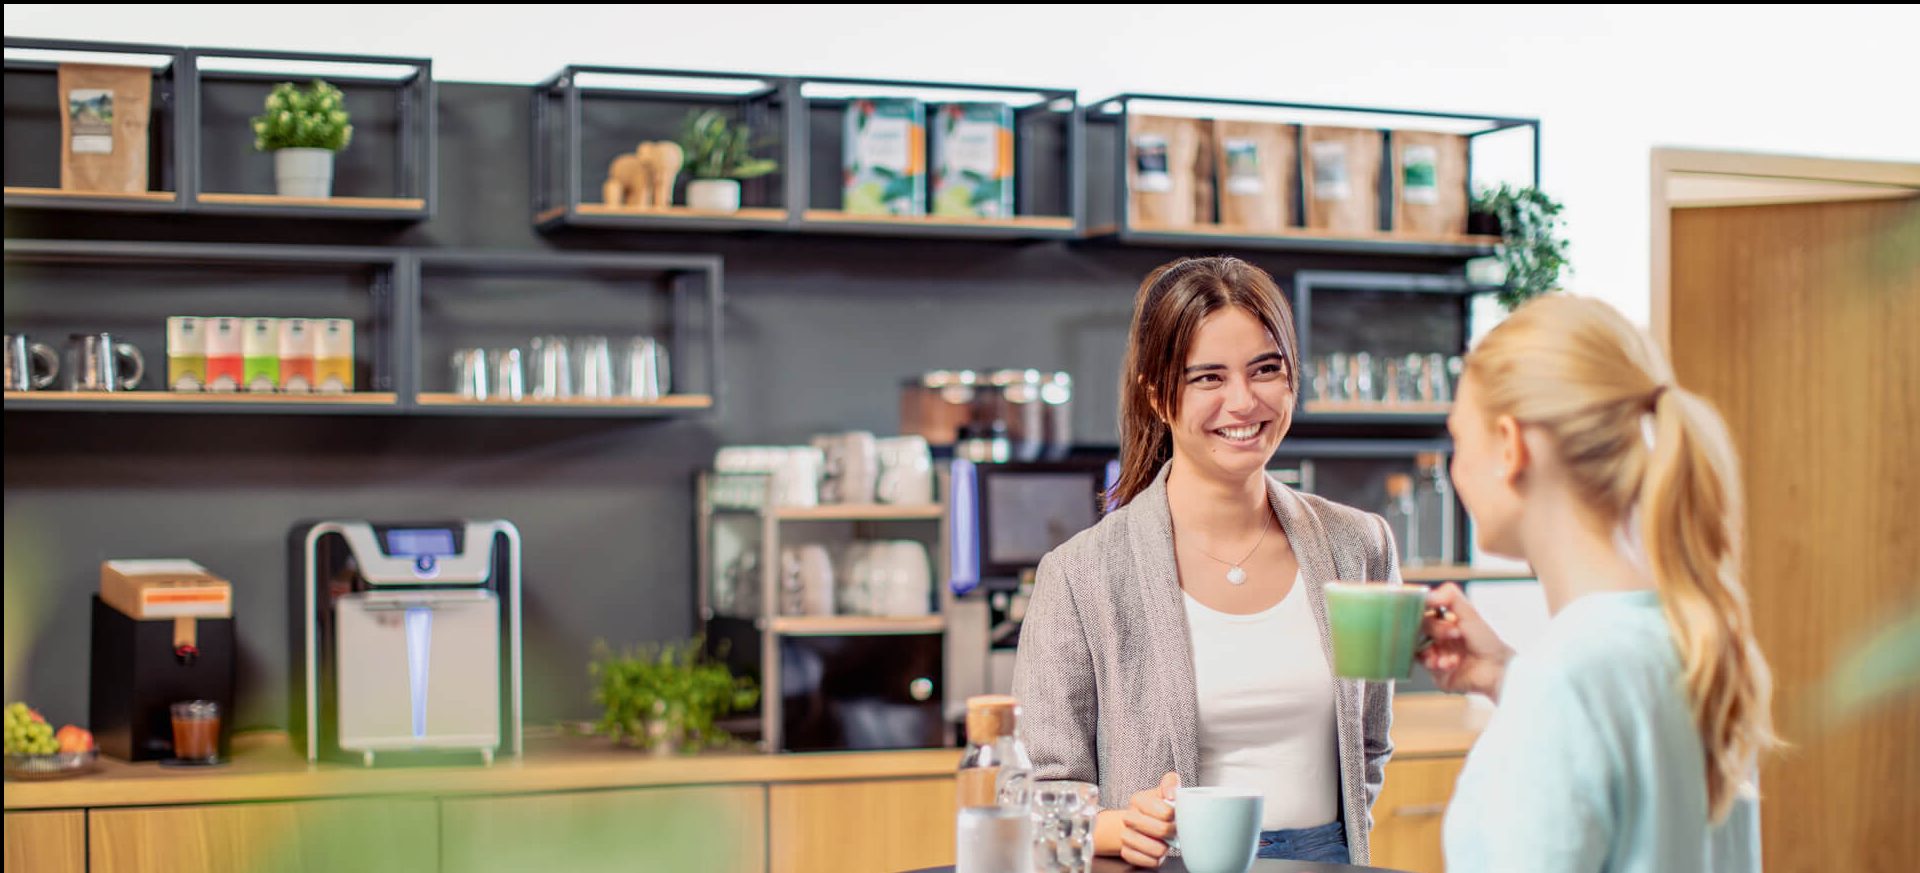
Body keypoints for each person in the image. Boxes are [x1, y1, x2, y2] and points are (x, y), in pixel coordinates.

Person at [1013, 256, 1402, 866]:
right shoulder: (1079, 575)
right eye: (1207, 378)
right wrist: (1115, 827)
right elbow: (1033, 793)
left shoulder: (1362, 548)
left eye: (1265, 370)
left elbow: (1370, 742)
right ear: (1157, 396)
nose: (1243, 402)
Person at [1419, 294, 1776, 871]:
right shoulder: (1690, 642)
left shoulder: (1564, 684)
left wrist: (1531, 688)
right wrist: (1507, 675)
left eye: (1459, 440)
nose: (1454, 467)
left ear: (1510, 447)